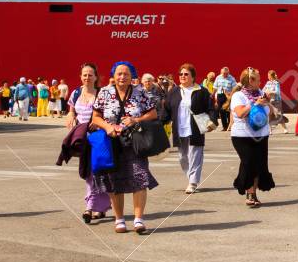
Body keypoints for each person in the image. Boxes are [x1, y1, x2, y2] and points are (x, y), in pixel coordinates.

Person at [91, 61, 159, 234]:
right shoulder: (105, 92)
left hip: (135, 141)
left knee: (140, 176)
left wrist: (136, 120)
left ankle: (138, 219)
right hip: (111, 143)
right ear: (113, 76)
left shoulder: (140, 92)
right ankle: (119, 219)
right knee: (114, 181)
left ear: (132, 76)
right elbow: (96, 117)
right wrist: (108, 127)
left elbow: (153, 113)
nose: (122, 77)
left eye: (126, 74)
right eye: (119, 73)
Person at [67, 63, 110, 223]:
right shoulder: (76, 92)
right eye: (84, 75)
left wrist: (98, 121)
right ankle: (100, 207)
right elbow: (71, 109)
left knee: (98, 171)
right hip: (82, 138)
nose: (87, 77)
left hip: (99, 137)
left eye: (90, 75)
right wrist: (70, 116)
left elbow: (109, 114)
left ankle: (90, 207)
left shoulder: (101, 93)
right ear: (80, 77)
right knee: (88, 172)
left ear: (96, 77)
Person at [229, 67, 275, 207]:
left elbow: (270, 114)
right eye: (259, 79)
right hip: (242, 135)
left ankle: (252, 193)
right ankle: (245, 187)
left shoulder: (261, 93)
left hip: (261, 135)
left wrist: (268, 102)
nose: (261, 82)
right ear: (250, 80)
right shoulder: (238, 96)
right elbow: (241, 113)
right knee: (248, 161)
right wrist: (255, 104)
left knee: (259, 164)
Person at [165, 63, 212, 194]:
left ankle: (193, 182)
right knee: (182, 157)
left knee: (195, 155)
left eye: (186, 74)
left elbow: (210, 108)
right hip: (180, 129)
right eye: (181, 74)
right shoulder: (174, 92)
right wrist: (158, 124)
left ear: (193, 77)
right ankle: (191, 177)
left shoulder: (201, 91)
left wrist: (212, 121)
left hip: (195, 128)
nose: (183, 76)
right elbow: (167, 110)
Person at [261, 70, 290, 134]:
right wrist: (264, 93)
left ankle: (285, 128)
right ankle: (270, 130)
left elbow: (277, 92)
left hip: (276, 101)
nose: (268, 77)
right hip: (269, 101)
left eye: (269, 76)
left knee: (278, 115)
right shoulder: (268, 83)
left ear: (271, 76)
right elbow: (263, 90)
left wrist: (270, 92)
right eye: (268, 76)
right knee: (269, 115)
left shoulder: (276, 83)